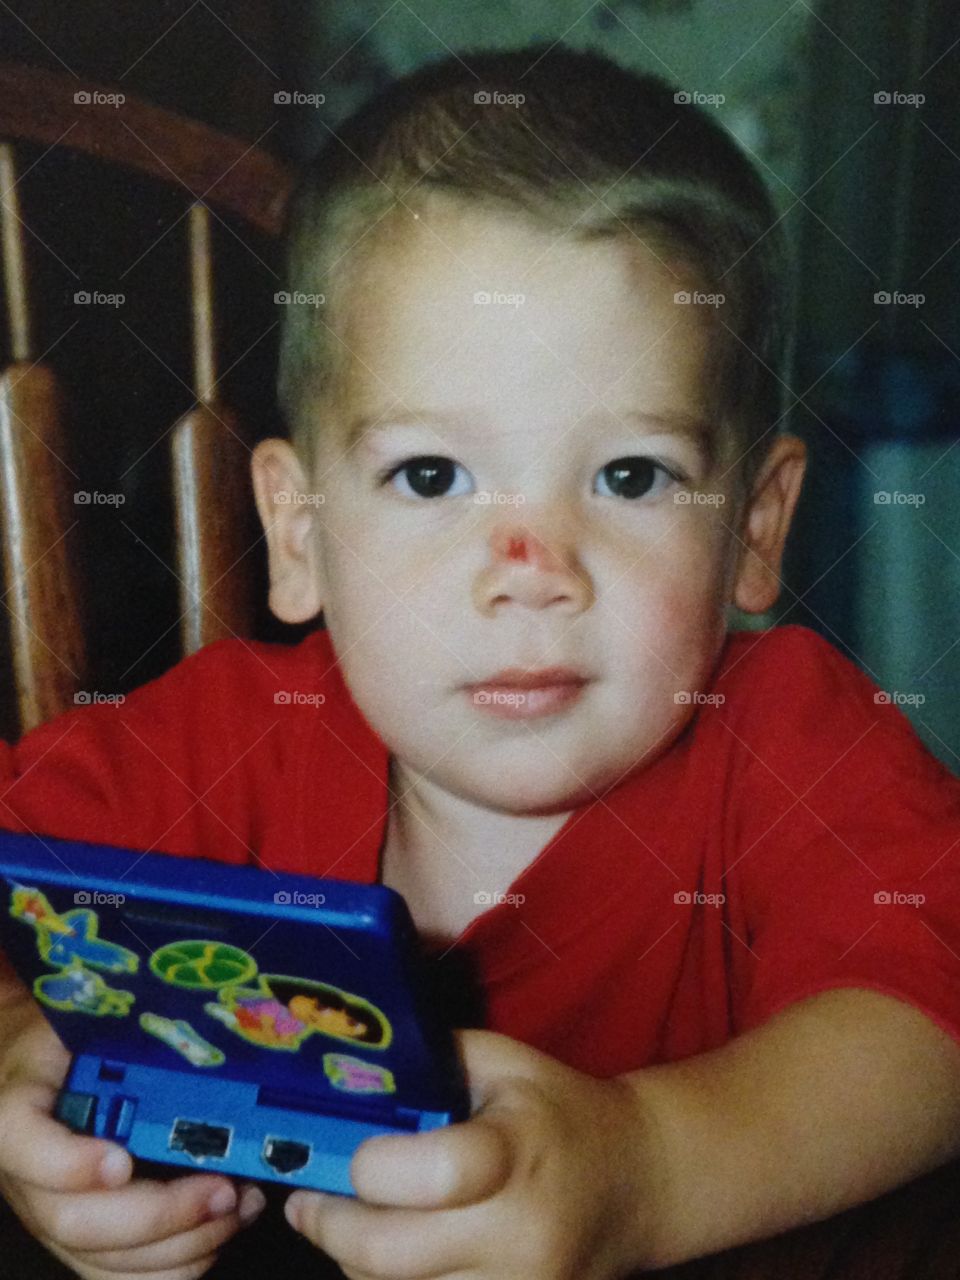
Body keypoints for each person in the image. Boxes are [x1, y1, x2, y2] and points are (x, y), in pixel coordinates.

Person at [1, 42, 960, 1280]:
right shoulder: (229, 736)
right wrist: (18, 1055)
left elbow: (934, 1015)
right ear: (300, 533)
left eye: (630, 475)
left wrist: (648, 1166)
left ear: (755, 528)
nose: (530, 567)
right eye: (431, 474)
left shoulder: (789, 736)